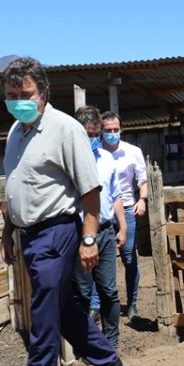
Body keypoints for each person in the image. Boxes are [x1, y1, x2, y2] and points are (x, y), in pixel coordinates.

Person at [0, 57, 124, 366]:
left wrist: (88, 240)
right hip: (28, 233)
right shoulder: (15, 132)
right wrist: (8, 230)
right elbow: (14, 186)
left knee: (42, 317)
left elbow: (90, 190)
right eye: (11, 96)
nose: (19, 101)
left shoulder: (65, 129)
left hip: (57, 231)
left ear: (44, 93)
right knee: (62, 308)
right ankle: (108, 360)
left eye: (26, 95)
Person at [74, 106, 127, 348]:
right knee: (82, 293)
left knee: (109, 291)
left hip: (106, 230)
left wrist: (122, 226)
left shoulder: (106, 159)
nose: (93, 139)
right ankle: (87, 344)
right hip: (79, 232)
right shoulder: (68, 163)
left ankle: (111, 345)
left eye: (97, 134)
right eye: (89, 134)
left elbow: (116, 194)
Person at [100, 111, 148, 322]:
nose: (112, 133)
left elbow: (142, 179)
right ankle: (97, 304)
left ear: (121, 129)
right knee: (99, 257)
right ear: (101, 131)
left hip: (127, 208)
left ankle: (132, 304)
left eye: (115, 130)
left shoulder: (132, 151)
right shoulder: (96, 151)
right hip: (102, 210)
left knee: (129, 257)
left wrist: (142, 199)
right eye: (107, 130)